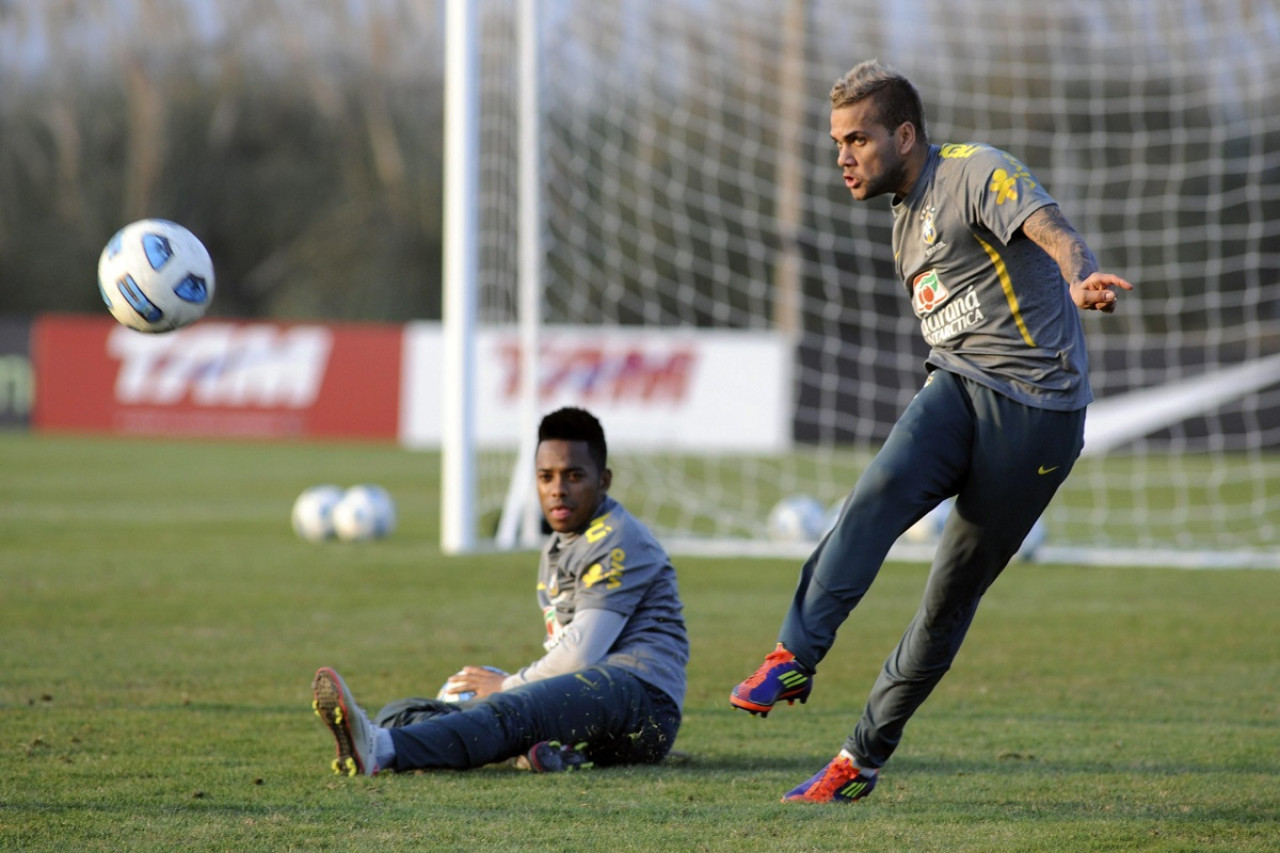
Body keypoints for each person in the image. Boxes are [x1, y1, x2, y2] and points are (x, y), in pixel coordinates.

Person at [729, 60, 1134, 804]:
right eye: (836, 141)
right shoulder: (902, 224)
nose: (843, 156)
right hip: (957, 388)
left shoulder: (975, 171)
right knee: (875, 492)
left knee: (948, 599)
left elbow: (1053, 228)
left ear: (906, 134)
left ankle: (859, 760)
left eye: (858, 138)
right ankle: (795, 653)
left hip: (1037, 418)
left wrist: (1082, 276)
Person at [313, 406, 688, 776]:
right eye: (546, 476)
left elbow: (579, 658)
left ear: (603, 480)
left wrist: (507, 685)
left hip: (642, 702)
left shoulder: (618, 538)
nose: (558, 490)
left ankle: (381, 748)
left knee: (510, 710)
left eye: (574, 476)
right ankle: (545, 752)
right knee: (402, 711)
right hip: (591, 699)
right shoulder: (558, 548)